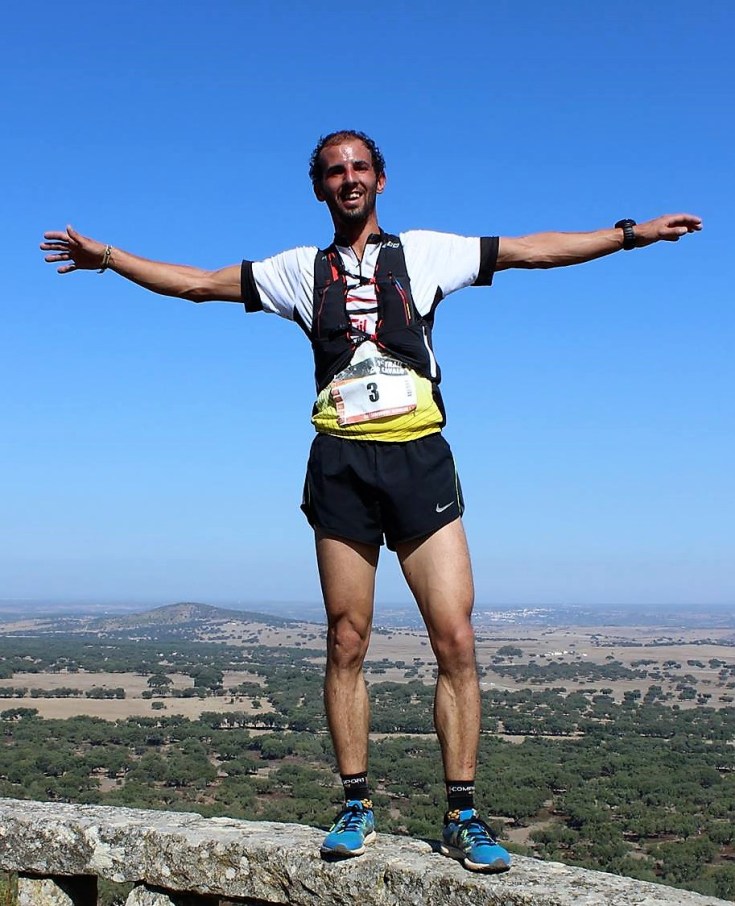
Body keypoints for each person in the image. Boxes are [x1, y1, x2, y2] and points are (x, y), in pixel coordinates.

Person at [41, 130, 701, 873]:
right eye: (333, 171)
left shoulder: (423, 251)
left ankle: (461, 814)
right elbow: (196, 282)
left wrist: (629, 236)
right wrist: (109, 258)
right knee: (345, 638)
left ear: (379, 179)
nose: (347, 179)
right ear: (319, 187)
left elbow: (529, 249)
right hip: (340, 461)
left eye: (358, 167)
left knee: (454, 638)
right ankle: (354, 802)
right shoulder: (298, 270)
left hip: (418, 456)